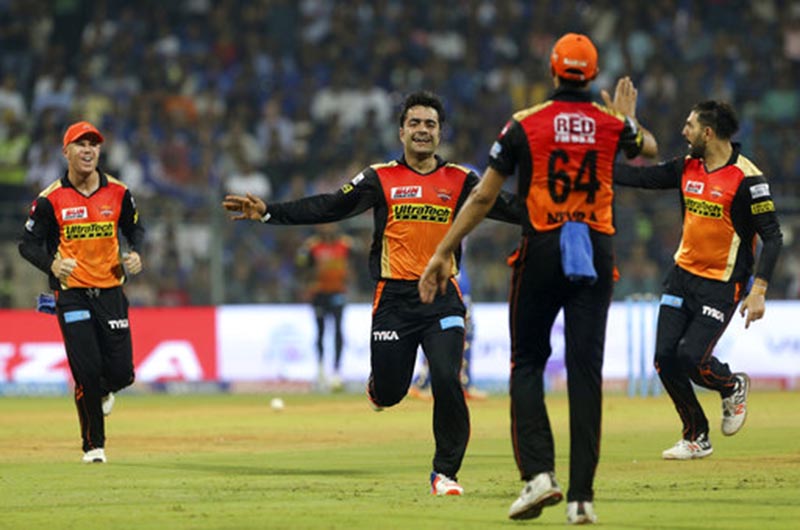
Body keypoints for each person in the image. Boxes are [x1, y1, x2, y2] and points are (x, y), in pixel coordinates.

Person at [223, 90, 520, 496]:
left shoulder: (462, 180)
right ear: (401, 132)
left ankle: (445, 473)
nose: (422, 130)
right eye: (414, 123)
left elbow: (510, 207)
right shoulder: (380, 178)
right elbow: (329, 206)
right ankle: (378, 386)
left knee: (448, 379)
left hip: (442, 297)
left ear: (440, 134)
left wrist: (563, 213)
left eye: (430, 124)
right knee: (391, 392)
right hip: (394, 302)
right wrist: (270, 211)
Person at [419, 33, 658, 524]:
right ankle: (582, 499)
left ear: (553, 72)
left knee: (527, 361)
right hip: (596, 246)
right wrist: (628, 118)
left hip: (544, 246)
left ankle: (539, 477)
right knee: (586, 373)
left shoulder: (524, 125)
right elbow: (648, 149)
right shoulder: (612, 123)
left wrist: (444, 249)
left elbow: (484, 197)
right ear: (592, 76)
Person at [612, 100, 783, 460]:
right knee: (663, 358)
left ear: (708, 132)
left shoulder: (748, 179)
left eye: (689, 126)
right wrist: (595, 166)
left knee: (691, 357)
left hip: (722, 284)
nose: (683, 132)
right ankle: (696, 436)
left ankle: (731, 384)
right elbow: (641, 178)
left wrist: (760, 290)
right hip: (681, 277)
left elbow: (773, 237)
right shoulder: (687, 166)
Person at [18, 120, 145, 464]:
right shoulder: (49, 200)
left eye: (94, 144)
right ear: (66, 152)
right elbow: (27, 246)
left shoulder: (119, 192)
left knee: (122, 374)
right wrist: (52, 266)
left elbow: (136, 228)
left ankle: (102, 391)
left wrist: (134, 253)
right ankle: (94, 447)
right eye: (80, 144)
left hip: (110, 291)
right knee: (85, 371)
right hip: (71, 292)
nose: (88, 150)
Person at [296, 223, 353, 391]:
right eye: (324, 226)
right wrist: (304, 251)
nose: (327, 228)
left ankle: (336, 371)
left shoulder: (345, 244)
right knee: (320, 332)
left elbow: (354, 264)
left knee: (338, 330)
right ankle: (320, 371)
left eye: (330, 225)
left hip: (337, 292)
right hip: (319, 293)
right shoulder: (312, 246)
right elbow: (301, 266)